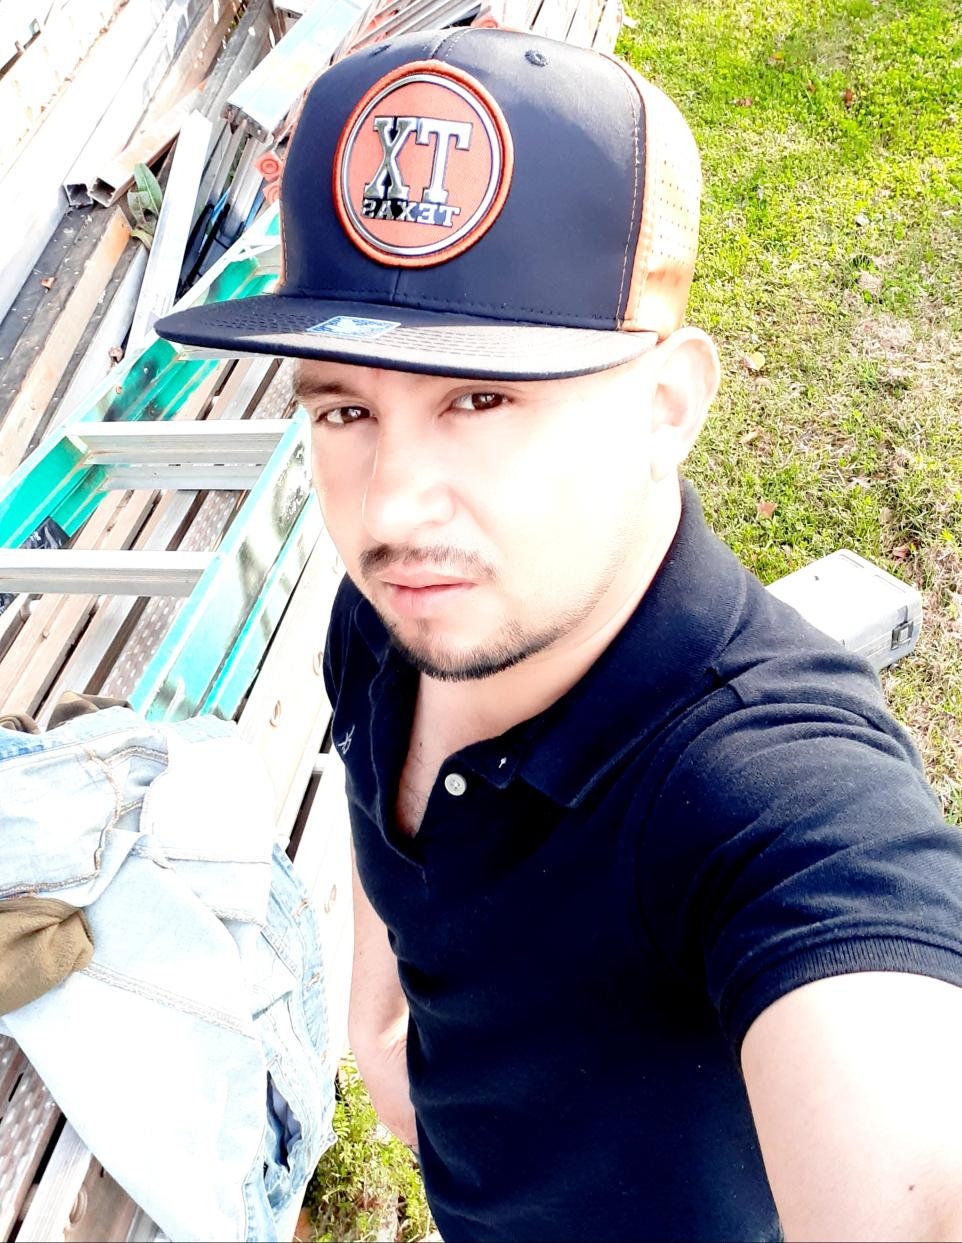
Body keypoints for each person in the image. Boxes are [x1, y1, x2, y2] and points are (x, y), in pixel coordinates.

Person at [156, 28, 962, 1242]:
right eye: (344, 408)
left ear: (665, 405)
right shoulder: (387, 623)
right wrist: (379, 1021)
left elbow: (902, 1141)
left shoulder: (763, 795)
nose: (390, 508)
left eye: (480, 399)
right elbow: (390, 829)